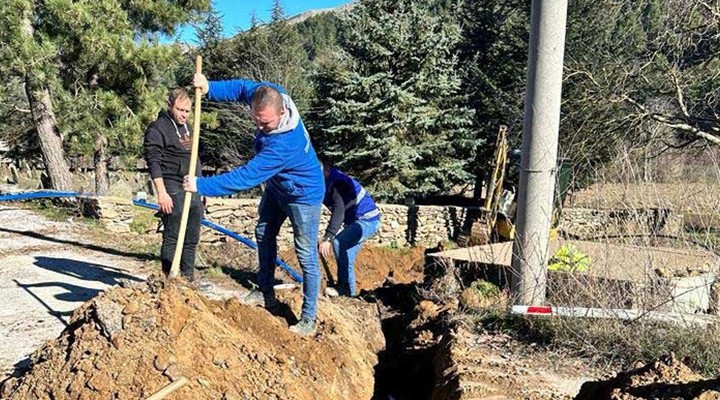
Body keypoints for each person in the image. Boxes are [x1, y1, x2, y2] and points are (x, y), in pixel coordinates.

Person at [183, 73, 324, 336]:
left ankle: (308, 318)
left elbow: (245, 177)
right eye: (257, 121)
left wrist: (201, 185)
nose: (260, 128)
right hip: (279, 187)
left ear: (282, 112)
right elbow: (240, 88)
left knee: (305, 253)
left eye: (266, 124)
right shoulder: (268, 93)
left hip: (303, 195)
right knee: (263, 233)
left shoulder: (284, 143)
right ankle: (265, 293)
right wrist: (209, 87)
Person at [144, 88, 203, 282]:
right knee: (173, 233)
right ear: (170, 106)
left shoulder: (189, 129)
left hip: (191, 185)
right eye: (180, 110)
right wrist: (161, 193)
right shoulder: (158, 128)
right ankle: (169, 279)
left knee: (192, 235)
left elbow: (195, 159)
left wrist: (204, 186)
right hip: (171, 184)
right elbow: (153, 162)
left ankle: (188, 280)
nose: (184, 115)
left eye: (187, 111)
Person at [319, 161, 381, 297]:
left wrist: (328, 237)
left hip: (367, 220)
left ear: (327, 170)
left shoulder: (338, 183)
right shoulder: (325, 182)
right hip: (359, 221)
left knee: (338, 243)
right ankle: (350, 296)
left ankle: (343, 287)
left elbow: (339, 211)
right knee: (347, 258)